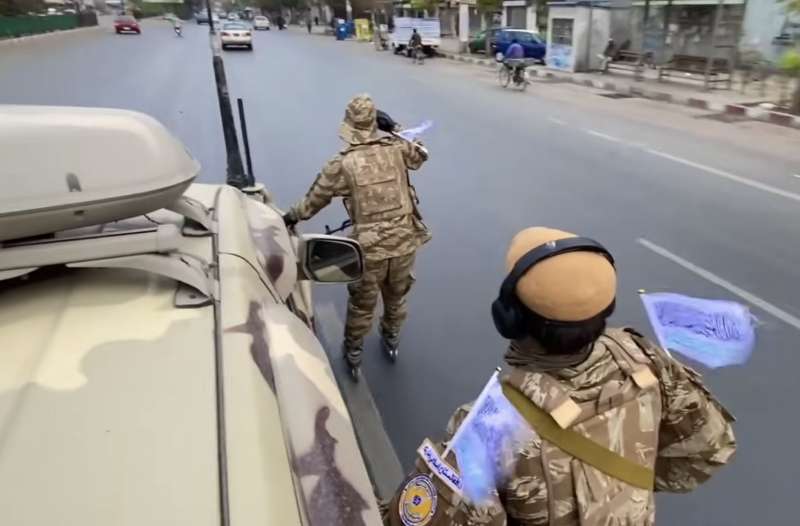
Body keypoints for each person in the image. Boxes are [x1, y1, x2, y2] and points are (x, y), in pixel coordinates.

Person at [385, 226, 736, 525]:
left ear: (511, 319)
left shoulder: (492, 424)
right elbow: (707, 450)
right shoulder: (642, 359)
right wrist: (618, 491)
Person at [283, 95, 431, 381]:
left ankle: (353, 352)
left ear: (350, 124)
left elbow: (314, 201)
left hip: (368, 251)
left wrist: (290, 218)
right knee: (397, 297)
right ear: (377, 122)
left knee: (363, 304)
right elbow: (422, 154)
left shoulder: (342, 164)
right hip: (404, 244)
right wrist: (395, 128)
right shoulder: (398, 148)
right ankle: (391, 338)